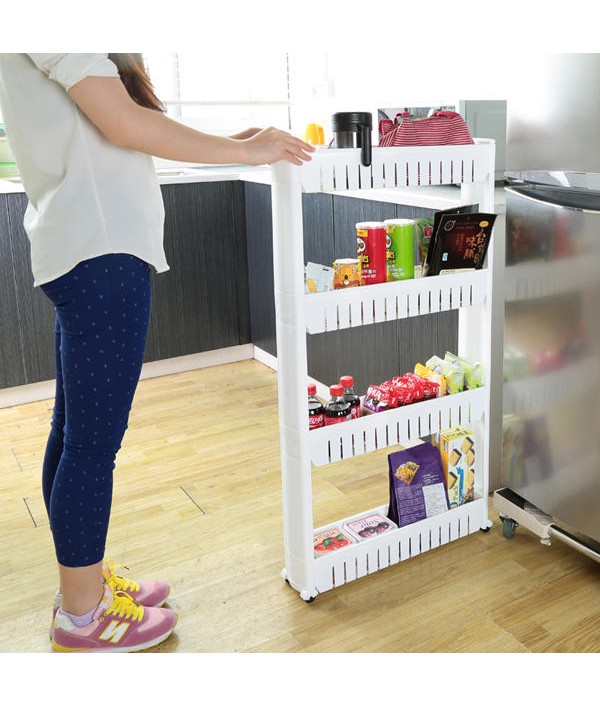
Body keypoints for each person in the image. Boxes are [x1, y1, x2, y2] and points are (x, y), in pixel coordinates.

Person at [0, 53, 314, 653]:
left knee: (73, 435)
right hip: (103, 252)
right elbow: (126, 125)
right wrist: (248, 151)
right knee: (91, 445)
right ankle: (82, 616)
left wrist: (233, 141)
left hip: (86, 247)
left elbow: (116, 129)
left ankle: (83, 585)